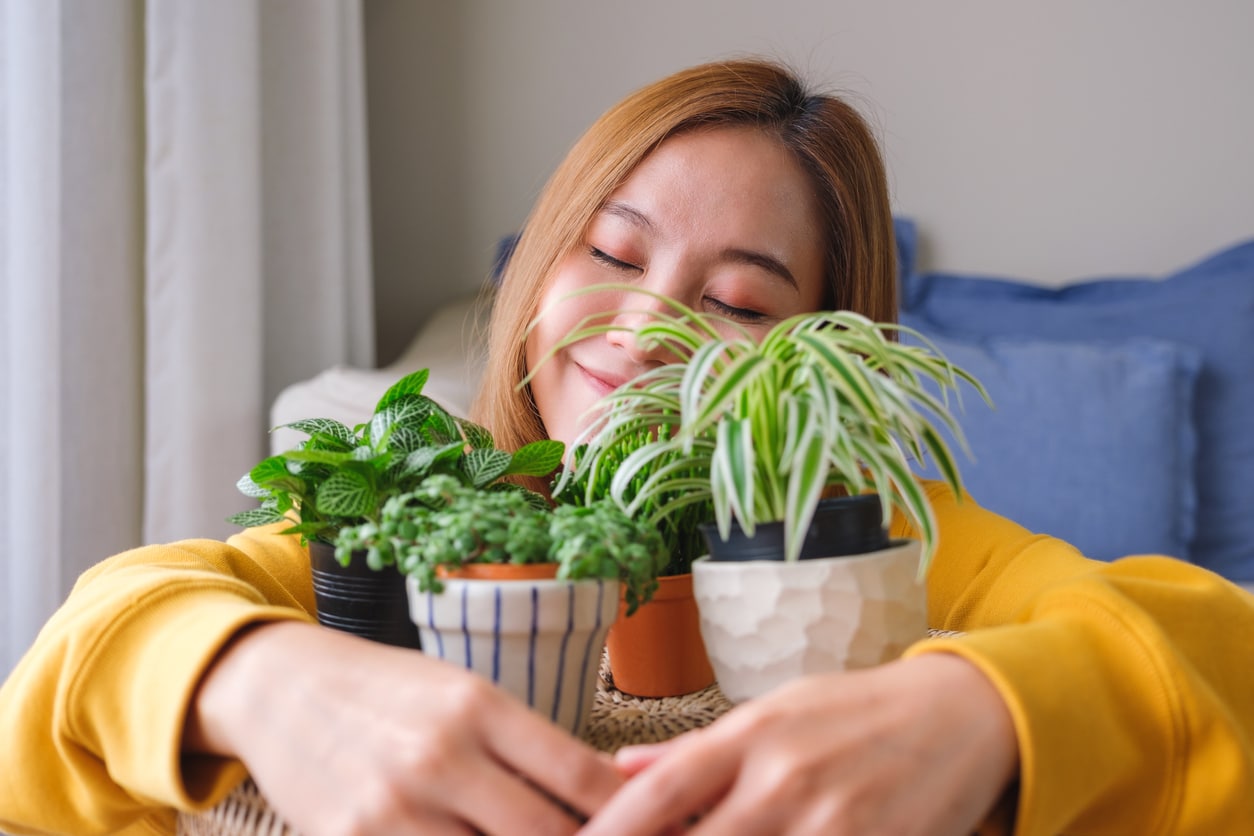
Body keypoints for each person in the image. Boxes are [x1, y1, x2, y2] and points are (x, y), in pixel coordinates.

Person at [1, 58, 1251, 836]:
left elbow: (1215, 645)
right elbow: (84, 657)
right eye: (612, 251)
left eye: (744, 301)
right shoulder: (450, 504)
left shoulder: (885, 543)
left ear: (823, 353)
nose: (649, 321)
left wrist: (981, 708)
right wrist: (262, 677)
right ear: (540, 269)